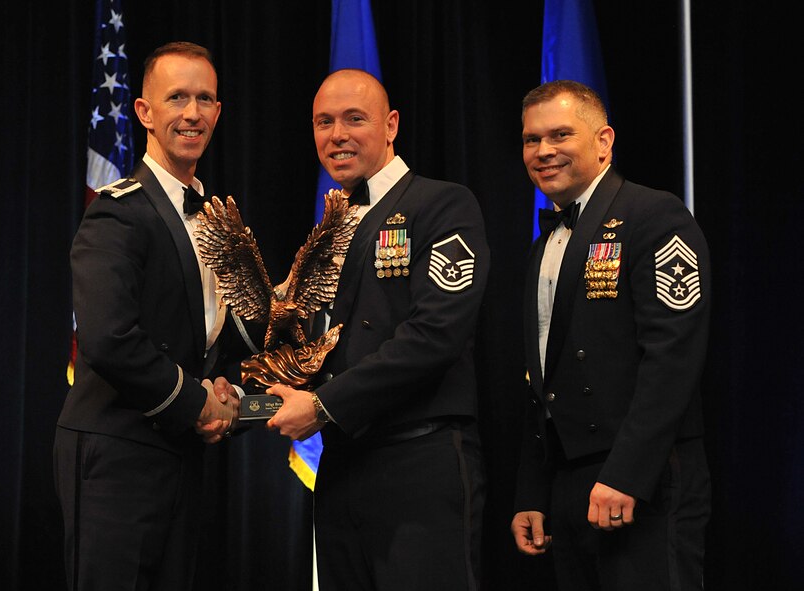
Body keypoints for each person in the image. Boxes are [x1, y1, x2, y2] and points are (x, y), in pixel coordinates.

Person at [267, 68, 490, 590]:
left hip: (420, 463)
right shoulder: (327, 230)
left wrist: (321, 406)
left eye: (354, 119)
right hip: (343, 464)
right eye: (324, 122)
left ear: (391, 125)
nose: (336, 134)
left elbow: (434, 335)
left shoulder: (442, 204)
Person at [54, 42, 258, 591]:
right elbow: (108, 338)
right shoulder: (117, 213)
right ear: (144, 112)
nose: (192, 112)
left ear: (218, 111)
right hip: (118, 452)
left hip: (180, 453)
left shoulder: (217, 215)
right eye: (177, 98)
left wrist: (228, 389)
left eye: (205, 99)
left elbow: (217, 337)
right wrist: (197, 404)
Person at [510, 79, 711, 590]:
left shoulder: (654, 216)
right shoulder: (542, 246)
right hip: (568, 480)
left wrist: (627, 474)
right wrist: (533, 490)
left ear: (604, 141)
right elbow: (540, 379)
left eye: (560, 135)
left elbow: (672, 358)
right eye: (532, 140)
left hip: (643, 476)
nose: (544, 151)